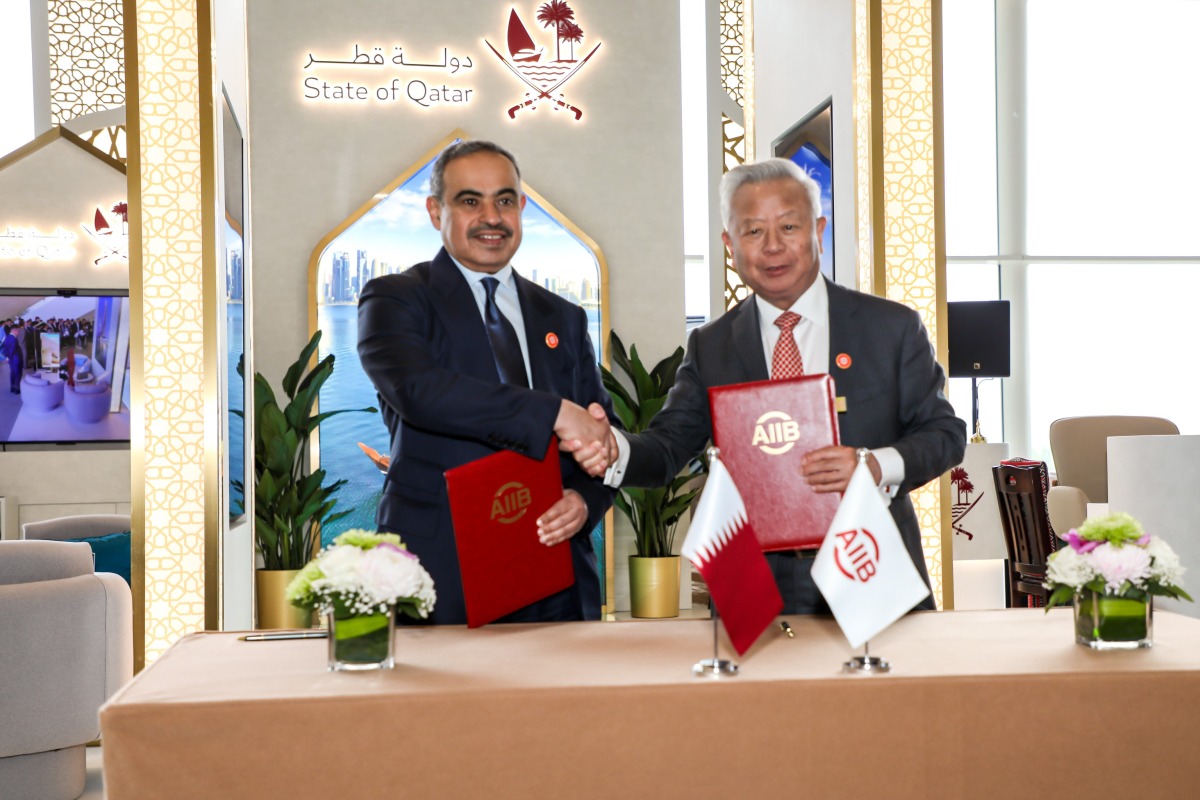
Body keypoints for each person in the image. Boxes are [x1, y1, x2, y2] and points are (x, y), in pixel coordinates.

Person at [569, 158, 966, 614]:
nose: (773, 247)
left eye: (789, 227)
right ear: (729, 244)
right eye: (754, 232)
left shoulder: (891, 328)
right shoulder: (711, 346)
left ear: (818, 230)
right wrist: (614, 449)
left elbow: (945, 434)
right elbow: (666, 447)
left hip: (871, 568)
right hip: (755, 588)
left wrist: (873, 464)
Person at [357, 140, 616, 625]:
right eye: (470, 200)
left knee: (562, 701)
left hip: (554, 564)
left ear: (521, 208)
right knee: (444, 703)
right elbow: (420, 392)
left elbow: (603, 430)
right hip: (441, 570)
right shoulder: (395, 299)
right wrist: (555, 413)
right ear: (436, 212)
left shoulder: (564, 316)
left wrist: (585, 500)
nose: (490, 217)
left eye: (504, 200)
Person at [1, 323, 23, 394]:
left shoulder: (7, 337)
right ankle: (17, 389)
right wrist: (10, 357)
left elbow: (4, 348)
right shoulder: (13, 339)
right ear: (14, 330)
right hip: (15, 359)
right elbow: (12, 350)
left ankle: (12, 387)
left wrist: (7, 357)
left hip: (11, 360)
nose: (19, 333)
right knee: (17, 374)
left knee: (12, 374)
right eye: (18, 331)